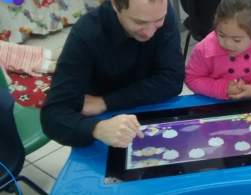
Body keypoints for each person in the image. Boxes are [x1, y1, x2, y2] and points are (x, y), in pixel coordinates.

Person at [41, 0, 185, 147]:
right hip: (106, 121)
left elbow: (173, 80)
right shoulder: (87, 33)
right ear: (115, 5)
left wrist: (105, 102)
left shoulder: (159, 12)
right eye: (138, 22)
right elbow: (53, 116)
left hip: (150, 106)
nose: (150, 32)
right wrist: (97, 128)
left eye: (159, 20)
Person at [185, 0, 251, 101]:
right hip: (216, 104)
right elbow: (192, 79)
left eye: (237, 40)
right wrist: (224, 88)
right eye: (221, 35)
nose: (228, 44)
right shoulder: (204, 48)